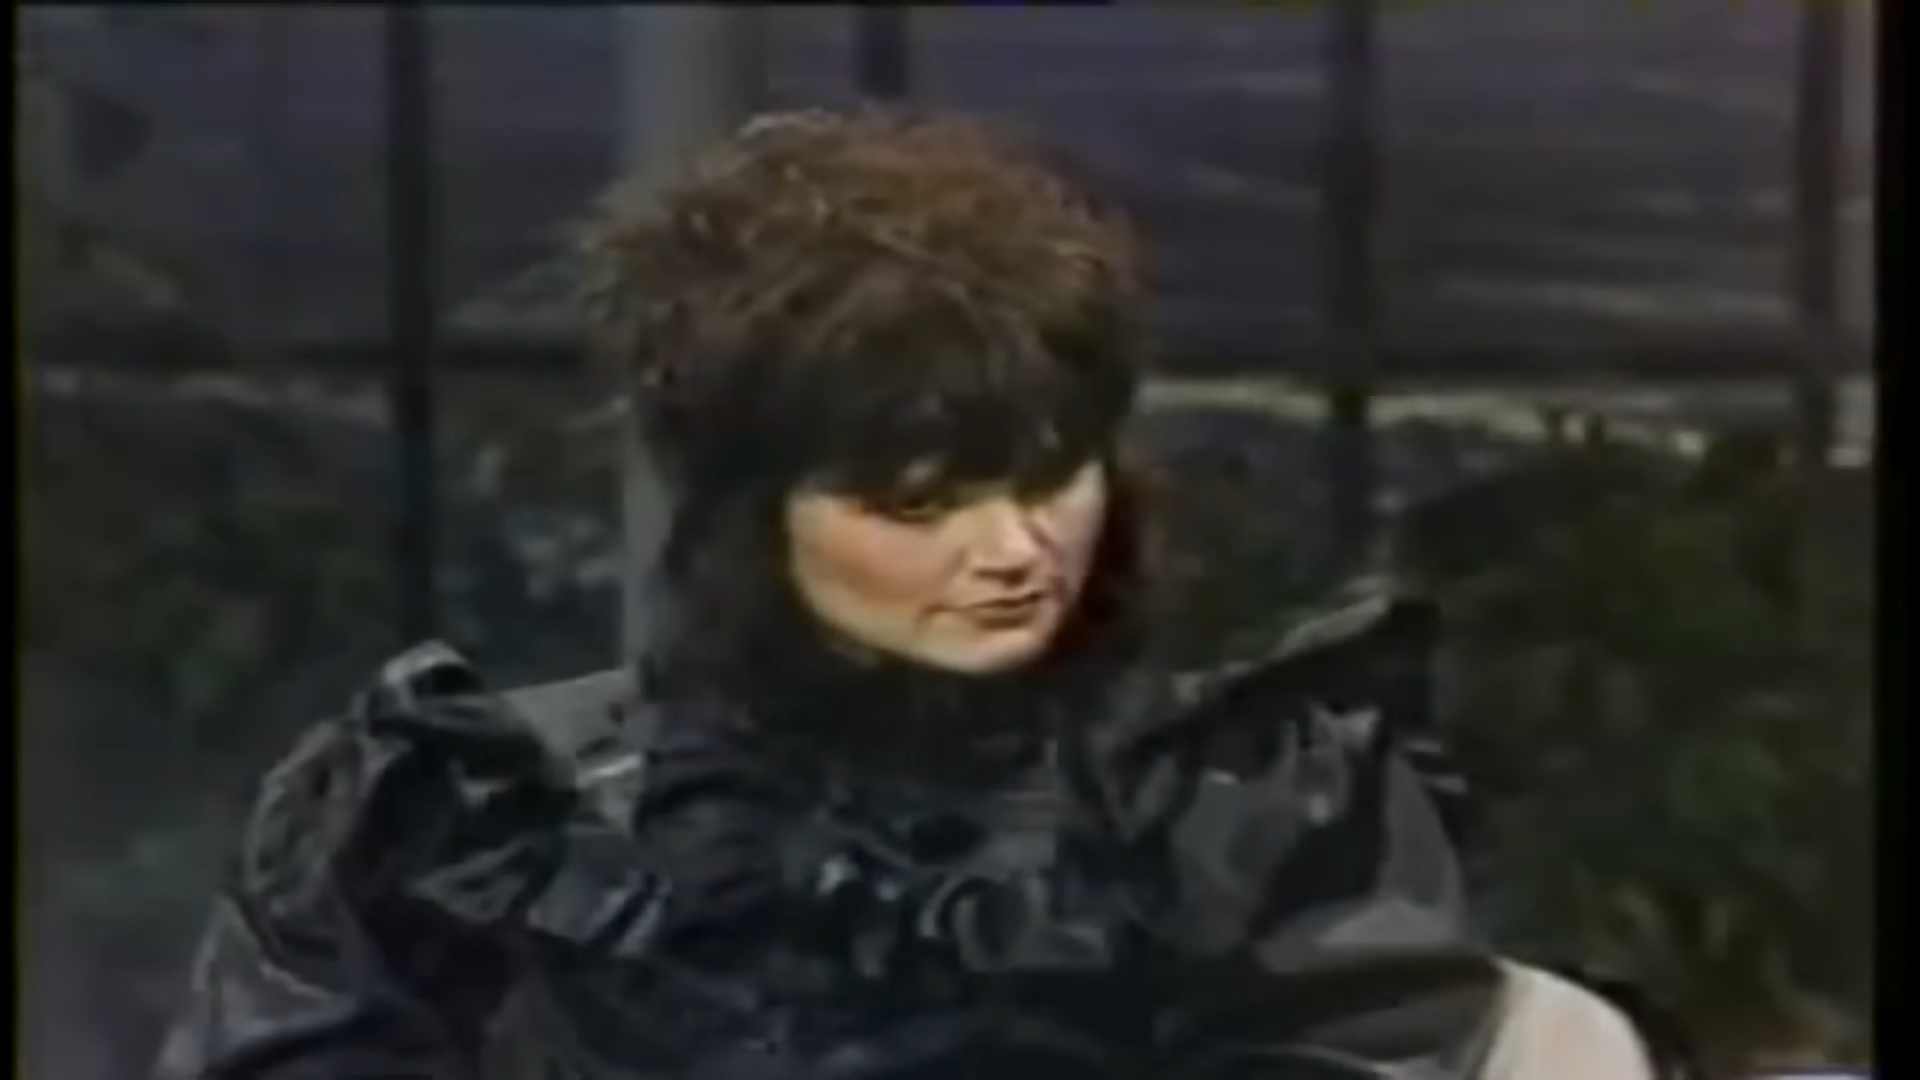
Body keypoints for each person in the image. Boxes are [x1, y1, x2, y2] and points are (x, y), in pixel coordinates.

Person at [155, 109, 1661, 1079]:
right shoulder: (457, 823)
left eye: (1051, 472)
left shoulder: (1238, 821)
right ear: (756, 518)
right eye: (920, 504)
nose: (1015, 549)